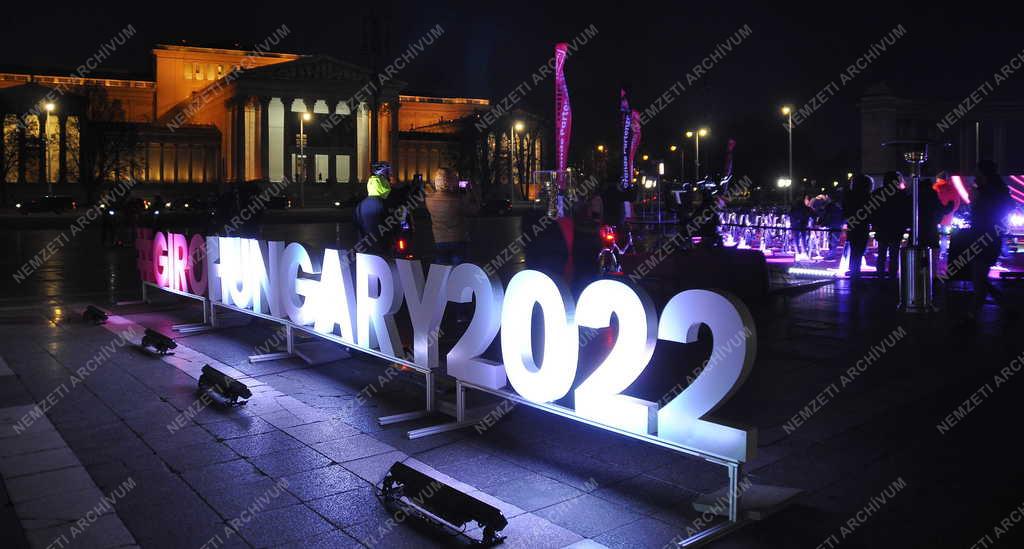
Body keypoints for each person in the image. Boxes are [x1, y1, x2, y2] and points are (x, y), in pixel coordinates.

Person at [967, 160, 1014, 320]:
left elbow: (980, 212)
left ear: (982, 173)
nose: (974, 174)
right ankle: (1005, 306)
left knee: (978, 277)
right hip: (989, 237)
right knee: (980, 277)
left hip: (985, 237)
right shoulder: (995, 190)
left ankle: (973, 314)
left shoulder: (988, 192)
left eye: (977, 171)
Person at [425, 167, 479, 265]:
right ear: (451, 181)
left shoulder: (429, 200)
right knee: (459, 273)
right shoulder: (458, 200)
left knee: (442, 273)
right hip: (459, 240)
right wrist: (472, 192)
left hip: (439, 241)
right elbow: (474, 210)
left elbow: (432, 193)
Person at [871, 171, 908, 277]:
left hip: (881, 227)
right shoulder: (901, 194)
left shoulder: (878, 193)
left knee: (881, 254)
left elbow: (873, 211)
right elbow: (904, 212)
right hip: (896, 228)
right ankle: (892, 276)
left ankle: (880, 276)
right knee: (894, 255)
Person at [354, 162, 392, 252]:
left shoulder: (360, 205)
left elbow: (356, 225)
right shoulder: (385, 203)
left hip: (364, 250)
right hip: (382, 250)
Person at [844, 174, 873, 278]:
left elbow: (845, 210)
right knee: (860, 249)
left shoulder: (849, 195)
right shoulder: (868, 197)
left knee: (854, 248)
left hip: (852, 224)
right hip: (863, 225)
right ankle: (856, 270)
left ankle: (853, 269)